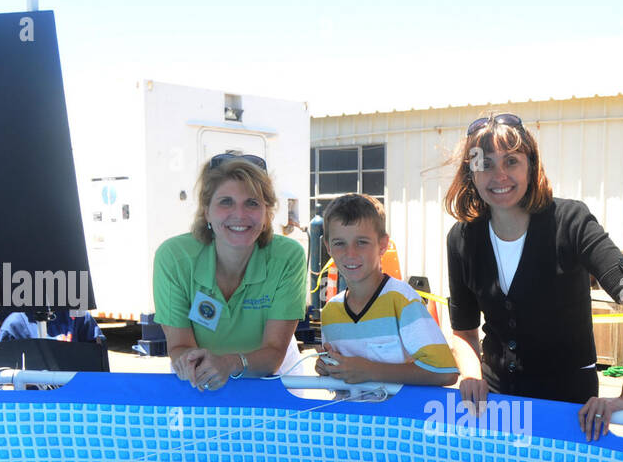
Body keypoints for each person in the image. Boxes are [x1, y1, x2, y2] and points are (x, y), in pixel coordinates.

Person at [444, 113, 623, 439]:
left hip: (569, 407)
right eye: (484, 163)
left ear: (531, 165)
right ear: (470, 173)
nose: (499, 175)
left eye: (511, 161)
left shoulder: (572, 222)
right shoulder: (461, 240)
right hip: (498, 405)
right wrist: (472, 375)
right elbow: (463, 331)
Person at [153, 152, 306, 391]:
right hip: (201, 379)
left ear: (267, 214)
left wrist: (229, 364)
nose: (240, 215)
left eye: (252, 203)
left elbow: (273, 355)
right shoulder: (174, 258)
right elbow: (180, 346)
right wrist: (193, 364)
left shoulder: (288, 257)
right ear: (207, 211)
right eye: (226, 202)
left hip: (273, 378)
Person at [315, 194, 457, 387]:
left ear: (382, 244)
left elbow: (444, 372)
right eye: (340, 243)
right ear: (328, 247)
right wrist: (328, 368)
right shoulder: (331, 312)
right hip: (350, 416)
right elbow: (347, 374)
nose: (350, 254)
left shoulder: (401, 300)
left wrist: (370, 371)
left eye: (361, 242)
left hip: (397, 417)